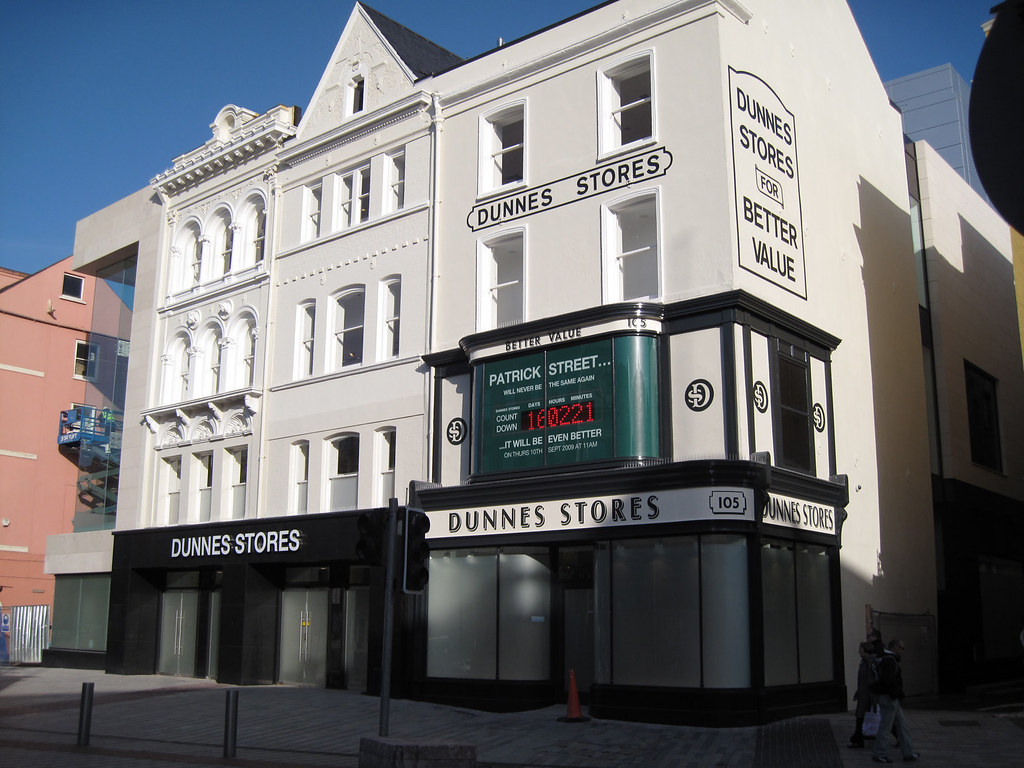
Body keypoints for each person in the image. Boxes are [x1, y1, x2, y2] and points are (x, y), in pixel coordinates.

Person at [871, 639, 920, 763]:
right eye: (901, 648)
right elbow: (889, 681)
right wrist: (896, 694)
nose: (902, 651)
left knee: (902, 725)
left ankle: (908, 752)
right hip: (889, 697)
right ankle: (879, 753)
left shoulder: (885, 658)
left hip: (890, 697)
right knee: (886, 727)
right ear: (895, 647)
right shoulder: (889, 660)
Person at [849, 628, 884, 748]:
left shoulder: (870, 661)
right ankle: (858, 736)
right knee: (862, 715)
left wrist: (867, 692)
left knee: (882, 717)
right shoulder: (864, 662)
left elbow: (870, 679)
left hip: (869, 694)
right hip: (865, 693)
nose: (859, 652)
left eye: (860, 650)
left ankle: (858, 737)